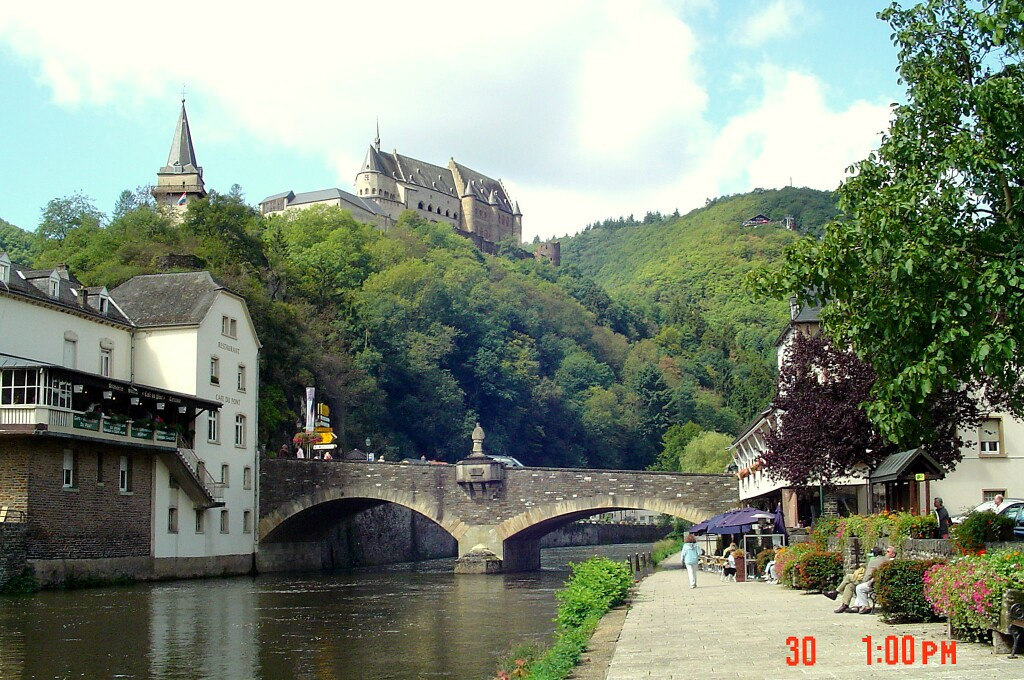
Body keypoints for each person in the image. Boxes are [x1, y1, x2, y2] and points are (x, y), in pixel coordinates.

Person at [851, 545, 896, 614]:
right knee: (854, 585)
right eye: (886, 551)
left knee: (859, 587)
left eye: (888, 552)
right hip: (879, 582)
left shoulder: (887, 562)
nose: (886, 553)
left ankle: (865, 606)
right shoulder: (885, 560)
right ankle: (857, 605)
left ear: (893, 554)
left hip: (879, 584)